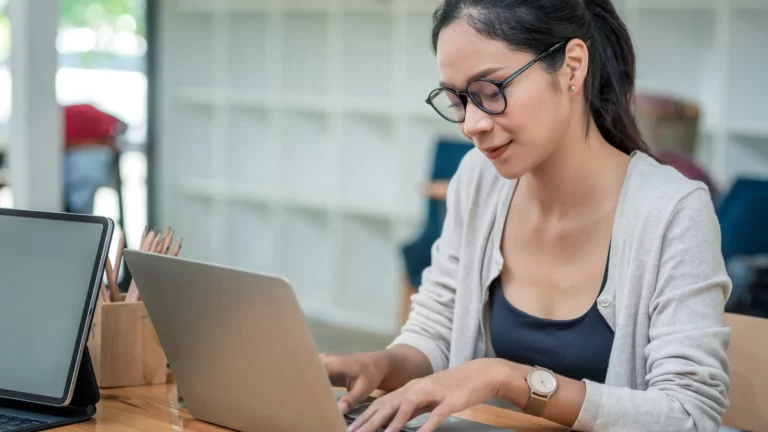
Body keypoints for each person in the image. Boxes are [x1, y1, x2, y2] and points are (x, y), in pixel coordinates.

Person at [321, 1, 731, 431]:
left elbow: (690, 415)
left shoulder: (673, 210)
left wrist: (508, 378)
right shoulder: (478, 180)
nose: (472, 125)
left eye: (491, 90)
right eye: (458, 100)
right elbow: (437, 332)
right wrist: (379, 364)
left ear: (572, 67)